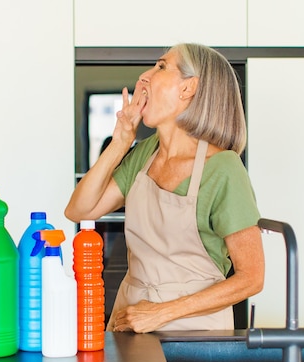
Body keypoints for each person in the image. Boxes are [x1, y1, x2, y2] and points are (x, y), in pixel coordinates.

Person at [65, 43, 264, 333]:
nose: (144, 77)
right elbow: (78, 210)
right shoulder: (146, 154)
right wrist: (120, 142)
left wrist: (160, 314)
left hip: (194, 337)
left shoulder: (223, 169)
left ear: (188, 88)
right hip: (129, 321)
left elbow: (252, 277)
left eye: (160, 66)